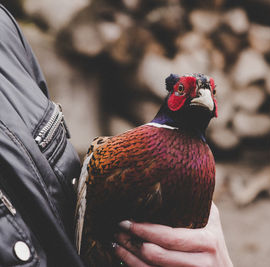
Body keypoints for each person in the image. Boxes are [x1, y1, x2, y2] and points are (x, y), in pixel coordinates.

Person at [0, 4, 233, 267]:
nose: (202, 97)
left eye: (207, 93)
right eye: (184, 90)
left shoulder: (6, 33)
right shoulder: (105, 152)